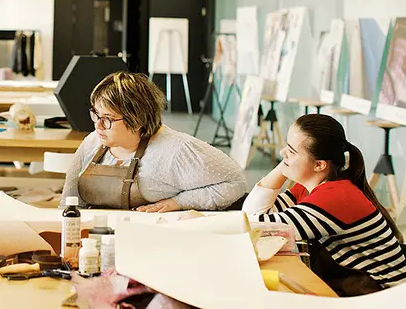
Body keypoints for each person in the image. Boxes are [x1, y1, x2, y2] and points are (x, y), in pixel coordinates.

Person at [242, 114, 406, 295]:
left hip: (388, 296)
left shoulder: (334, 198)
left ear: (319, 165)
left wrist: (287, 164)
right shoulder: (313, 187)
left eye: (291, 150)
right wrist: (288, 162)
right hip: (364, 285)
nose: (282, 153)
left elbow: (254, 225)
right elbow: (253, 215)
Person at [60, 71, 246, 211]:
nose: (98, 126)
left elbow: (235, 183)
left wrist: (179, 202)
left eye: (108, 118)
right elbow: (69, 202)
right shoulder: (93, 142)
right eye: (96, 114)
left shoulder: (176, 151)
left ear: (137, 120)